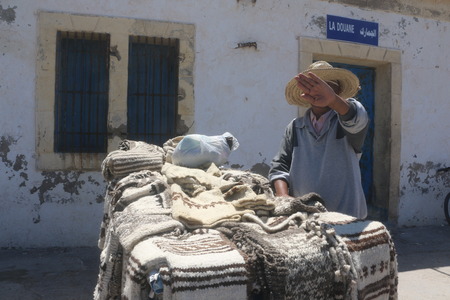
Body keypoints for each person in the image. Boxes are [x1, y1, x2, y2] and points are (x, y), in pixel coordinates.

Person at [269, 61, 369, 219]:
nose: (317, 91)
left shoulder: (344, 123)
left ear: (339, 90)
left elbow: (356, 118)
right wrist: (283, 197)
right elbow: (279, 167)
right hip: (305, 215)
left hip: (346, 215)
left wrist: (333, 100)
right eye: (311, 86)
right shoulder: (295, 127)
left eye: (325, 86)